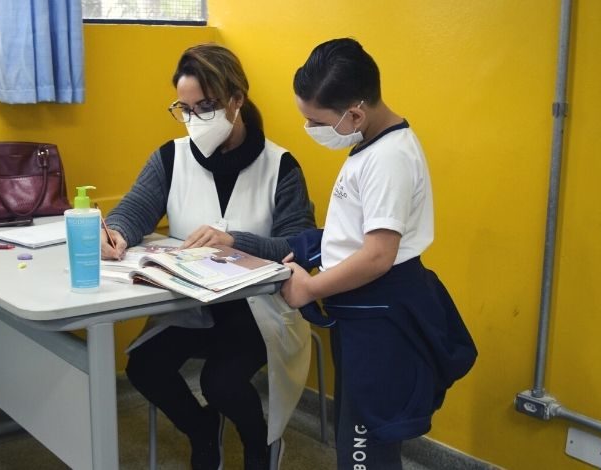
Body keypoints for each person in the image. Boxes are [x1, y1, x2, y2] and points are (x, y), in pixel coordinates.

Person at [100, 43, 317, 470]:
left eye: (206, 106)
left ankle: (260, 446)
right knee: (144, 368)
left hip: (259, 310)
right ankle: (203, 431)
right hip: (190, 305)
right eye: (184, 108)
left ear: (237, 99)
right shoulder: (170, 157)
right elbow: (133, 209)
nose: (194, 119)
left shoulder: (281, 166)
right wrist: (117, 233)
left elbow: (301, 243)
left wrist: (235, 241)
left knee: (220, 382)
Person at [281, 38, 478, 469]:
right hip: (362, 311)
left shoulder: (388, 158)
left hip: (379, 315)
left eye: (316, 121)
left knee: (363, 446)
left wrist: (309, 287)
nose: (310, 129)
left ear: (355, 113)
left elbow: (377, 256)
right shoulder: (370, 145)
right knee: (356, 434)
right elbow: (353, 235)